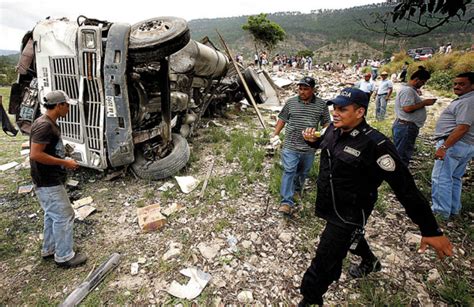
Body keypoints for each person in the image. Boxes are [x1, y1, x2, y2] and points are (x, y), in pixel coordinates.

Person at [298, 88, 453, 306]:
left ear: (360, 112)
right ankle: (370, 261)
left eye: (342, 109)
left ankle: (310, 299)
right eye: (334, 108)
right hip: (329, 203)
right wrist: (311, 142)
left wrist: (430, 229)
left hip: (350, 212)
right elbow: (324, 145)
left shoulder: (376, 145)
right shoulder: (333, 129)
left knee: (324, 261)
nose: (335, 113)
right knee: (352, 238)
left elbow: (406, 189)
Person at [30, 90, 88, 268]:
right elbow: (35, 154)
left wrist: (63, 155)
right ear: (59, 105)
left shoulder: (46, 122)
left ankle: (50, 248)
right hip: (48, 181)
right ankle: (64, 257)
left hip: (46, 179)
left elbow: (44, 150)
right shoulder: (44, 126)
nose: (69, 108)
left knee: (52, 215)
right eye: (67, 105)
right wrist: (64, 162)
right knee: (64, 215)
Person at [271, 76, 331, 214]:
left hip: (309, 147)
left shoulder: (321, 105)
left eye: (306, 89)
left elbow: (327, 123)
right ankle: (286, 202)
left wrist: (322, 135)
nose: (302, 92)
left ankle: (297, 190)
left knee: (302, 172)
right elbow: (282, 119)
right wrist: (275, 134)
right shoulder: (291, 103)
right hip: (290, 144)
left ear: (313, 89)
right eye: (300, 88)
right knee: (289, 170)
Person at [431, 72, 474, 219]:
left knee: (441, 177)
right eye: (455, 83)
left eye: (462, 84)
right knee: (454, 177)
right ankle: (453, 209)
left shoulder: (468, 102)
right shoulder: (467, 100)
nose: (457, 87)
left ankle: (440, 212)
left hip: (454, 145)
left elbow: (463, 127)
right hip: (464, 145)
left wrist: (444, 147)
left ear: (472, 86)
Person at [392, 69, 436, 166]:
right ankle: (399, 177)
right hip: (406, 127)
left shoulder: (410, 90)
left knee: (402, 152)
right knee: (402, 155)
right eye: (423, 82)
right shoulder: (407, 90)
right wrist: (424, 103)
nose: (423, 84)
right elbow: (407, 108)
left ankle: (398, 174)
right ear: (416, 79)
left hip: (406, 126)